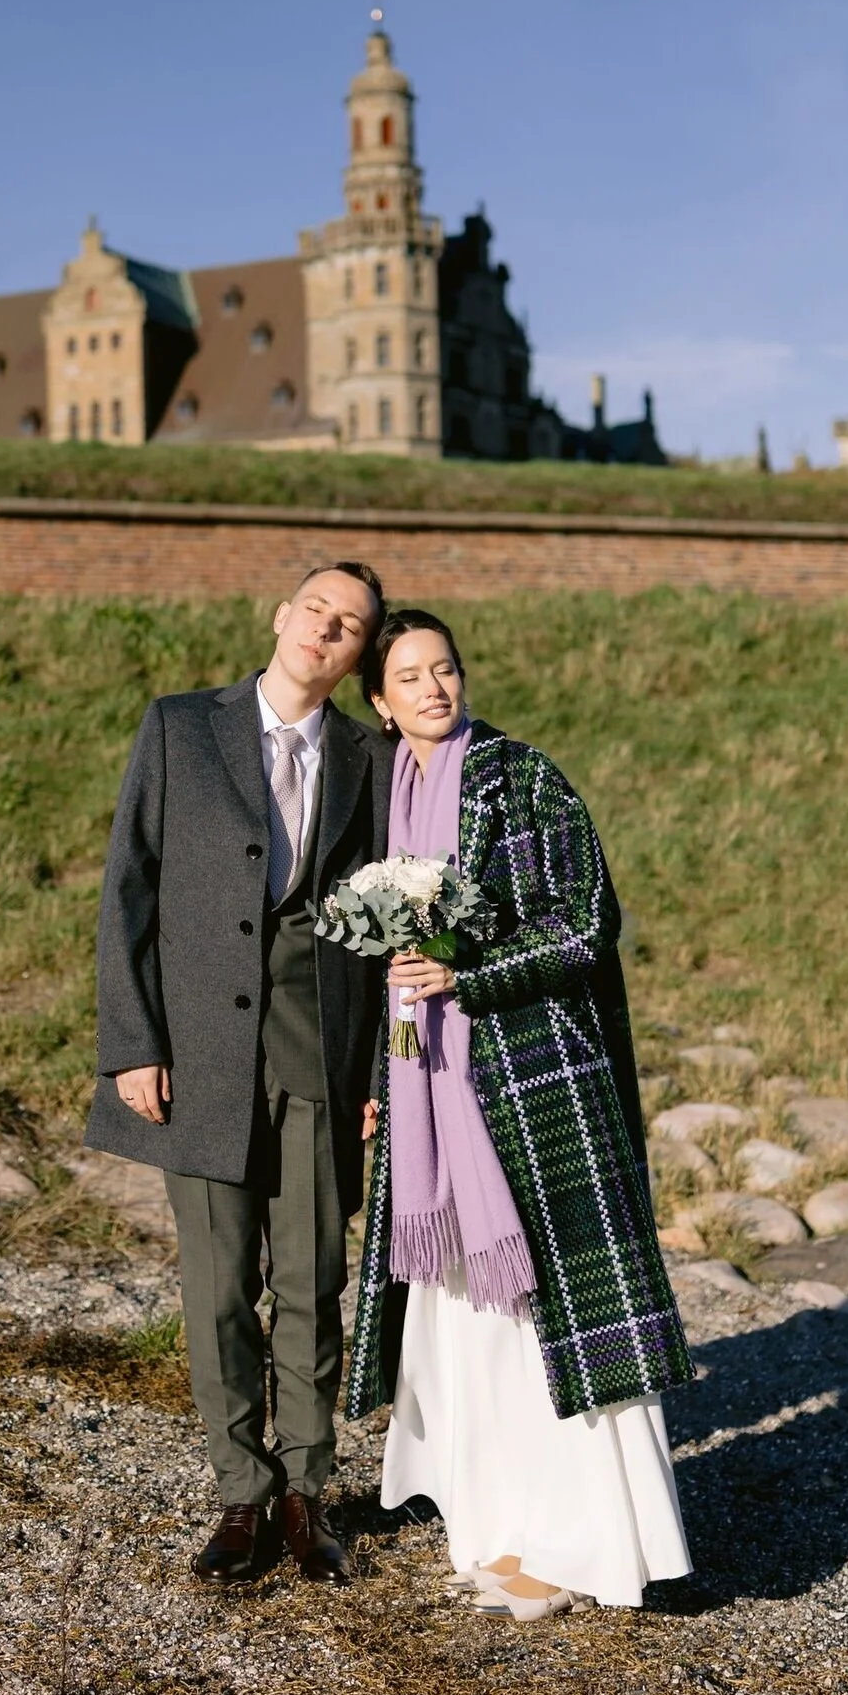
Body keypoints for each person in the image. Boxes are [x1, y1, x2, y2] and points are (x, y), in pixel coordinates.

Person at [344, 607, 694, 1620]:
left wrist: (469, 968)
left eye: (445, 667)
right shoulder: (391, 793)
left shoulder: (522, 774)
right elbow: (390, 966)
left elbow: (585, 921)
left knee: (556, 1317)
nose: (434, 688)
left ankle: (585, 1544)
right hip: (429, 1090)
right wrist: (383, 1069)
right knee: (466, 1324)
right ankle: (498, 1523)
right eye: (409, 676)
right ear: (379, 699)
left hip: (533, 1082)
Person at [87, 562, 392, 1586]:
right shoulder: (179, 726)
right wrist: (132, 1040)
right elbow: (127, 882)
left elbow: (384, 926)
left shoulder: (370, 757)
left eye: (349, 624)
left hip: (319, 1046)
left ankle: (308, 1490)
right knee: (219, 1285)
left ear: (358, 654)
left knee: (311, 1277)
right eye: (317, 607)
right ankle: (240, 1491)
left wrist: (377, 1069)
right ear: (280, 614)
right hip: (198, 1053)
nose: (327, 628)